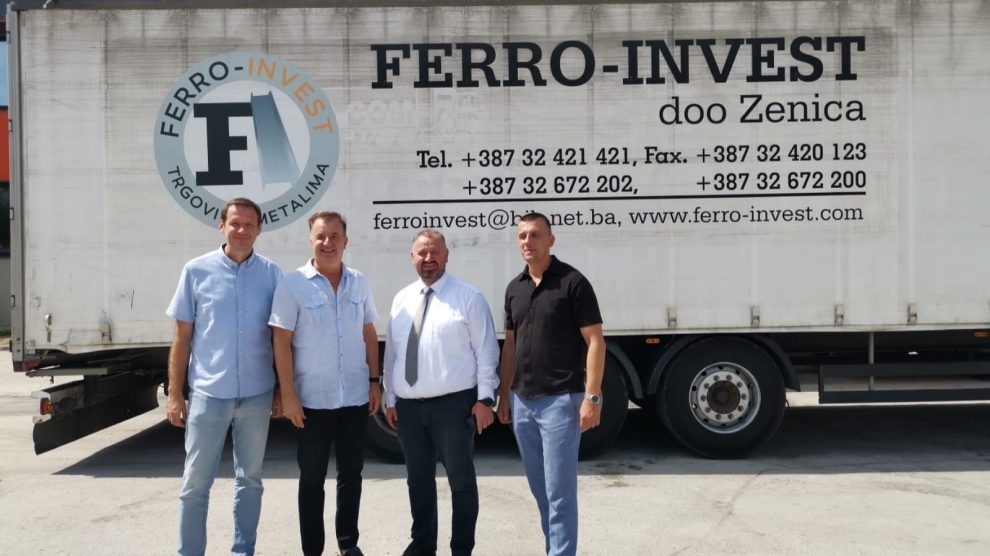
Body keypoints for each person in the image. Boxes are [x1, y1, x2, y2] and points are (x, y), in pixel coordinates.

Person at [165, 197, 283, 556]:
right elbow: (182, 338)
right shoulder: (196, 271)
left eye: (249, 224)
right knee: (195, 485)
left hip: (257, 394)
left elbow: (280, 339)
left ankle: (242, 551)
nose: (242, 230)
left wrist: (282, 390)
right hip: (208, 394)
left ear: (259, 229)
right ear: (222, 226)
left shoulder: (273, 275)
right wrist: (175, 394)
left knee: (250, 481)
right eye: (235, 223)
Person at [268, 211, 380, 556]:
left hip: (355, 397)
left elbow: (369, 332)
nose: (327, 243)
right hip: (312, 402)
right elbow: (281, 341)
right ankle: (312, 550)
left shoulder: (359, 282)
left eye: (334, 236)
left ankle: (348, 544)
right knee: (312, 480)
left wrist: (375, 381)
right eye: (321, 236)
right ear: (311, 240)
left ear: (345, 241)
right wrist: (288, 394)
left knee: (352, 475)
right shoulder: (292, 284)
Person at [383, 229, 500, 556]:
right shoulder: (402, 299)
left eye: (435, 252)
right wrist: (391, 398)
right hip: (409, 409)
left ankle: (461, 548)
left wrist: (485, 398)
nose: (428, 259)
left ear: (447, 256)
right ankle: (422, 545)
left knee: (461, 482)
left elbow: (486, 351)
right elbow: (393, 353)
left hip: (453, 406)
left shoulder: (468, 297)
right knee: (418, 481)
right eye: (421, 253)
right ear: (412, 257)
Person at [496, 212, 606, 556]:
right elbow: (510, 345)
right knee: (540, 490)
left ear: (551, 240)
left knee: (560, 493)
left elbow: (595, 341)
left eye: (535, 235)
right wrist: (504, 396)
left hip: (561, 401)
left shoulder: (572, 282)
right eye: (522, 236)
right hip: (522, 402)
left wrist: (592, 397)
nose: (528, 242)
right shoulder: (514, 288)